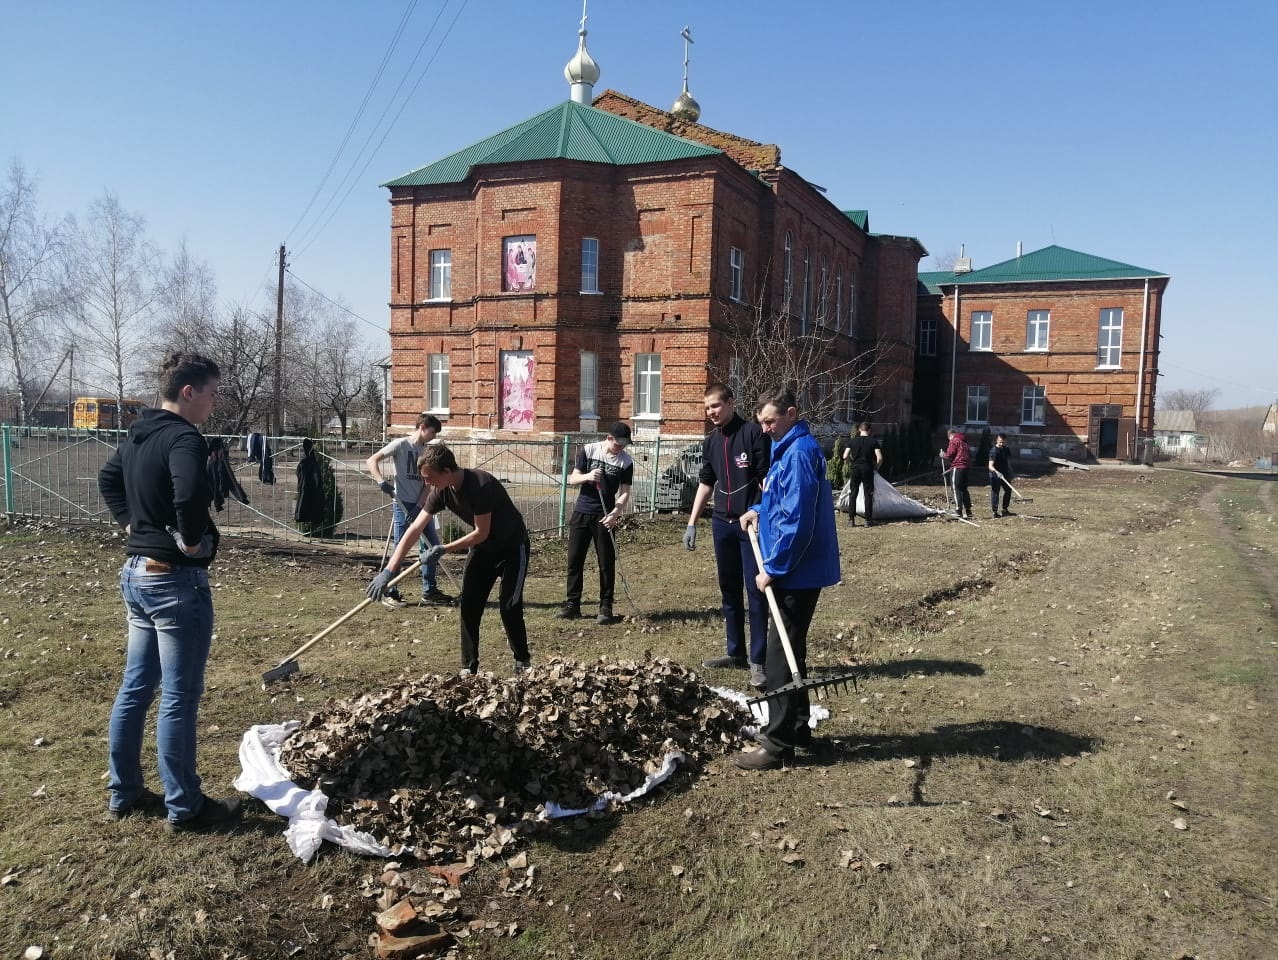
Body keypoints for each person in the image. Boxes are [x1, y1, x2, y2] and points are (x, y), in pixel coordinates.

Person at [98, 352, 244, 831]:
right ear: (188, 392)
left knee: (136, 688)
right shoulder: (183, 437)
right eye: (211, 392)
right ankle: (185, 807)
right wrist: (192, 537)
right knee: (179, 696)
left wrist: (131, 526)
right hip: (174, 581)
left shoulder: (140, 433)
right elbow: (189, 492)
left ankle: (124, 792)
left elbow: (108, 478)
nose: (214, 402)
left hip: (137, 575)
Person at [736, 387, 841, 770]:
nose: (764, 429)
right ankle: (797, 727)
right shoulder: (788, 448)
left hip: (797, 570)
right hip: (795, 568)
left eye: (770, 421)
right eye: (761, 421)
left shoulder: (798, 453)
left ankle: (777, 746)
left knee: (779, 656)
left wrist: (773, 569)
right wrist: (757, 509)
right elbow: (780, 500)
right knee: (792, 648)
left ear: (792, 413)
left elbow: (797, 522)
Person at [366, 444, 531, 675]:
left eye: (429, 478)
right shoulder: (441, 490)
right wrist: (389, 571)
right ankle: (468, 667)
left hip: (512, 548)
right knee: (469, 607)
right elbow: (414, 528)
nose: (426, 483)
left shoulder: (480, 484)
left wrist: (443, 548)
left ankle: (522, 661)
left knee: (509, 606)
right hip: (483, 551)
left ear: (446, 471)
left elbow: (480, 532)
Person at [682, 383, 771, 690]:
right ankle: (735, 652)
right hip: (722, 524)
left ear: (731, 402)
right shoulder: (710, 442)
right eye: (707, 409)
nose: (711, 413)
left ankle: (758, 660)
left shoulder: (752, 434)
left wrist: (760, 511)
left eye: (715, 406)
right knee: (729, 589)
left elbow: (765, 480)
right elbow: (706, 483)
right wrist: (692, 522)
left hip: (750, 526)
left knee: (755, 591)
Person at [365, 413, 453, 607]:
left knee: (432, 547)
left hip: (423, 507)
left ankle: (429, 591)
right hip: (401, 503)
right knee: (400, 548)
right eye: (432, 431)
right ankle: (390, 592)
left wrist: (420, 506)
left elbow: (427, 484)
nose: (434, 435)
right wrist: (381, 481)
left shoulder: (427, 452)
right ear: (422, 426)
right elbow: (372, 461)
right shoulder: (401, 445)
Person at [556, 422, 634, 624]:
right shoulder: (589, 450)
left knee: (606, 562)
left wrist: (615, 513)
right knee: (575, 560)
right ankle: (573, 605)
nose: (621, 448)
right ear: (609, 438)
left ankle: (606, 606)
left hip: (605, 516)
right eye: (618, 444)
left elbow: (625, 492)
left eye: (624, 445)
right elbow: (573, 479)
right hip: (582, 512)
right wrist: (588, 476)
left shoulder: (625, 461)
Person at [841, 421, 884, 526]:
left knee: (853, 494)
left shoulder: (852, 441)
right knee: (868, 494)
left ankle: (851, 520)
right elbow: (880, 458)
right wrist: (876, 468)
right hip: (868, 469)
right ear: (869, 431)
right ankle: (868, 520)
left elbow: (845, 456)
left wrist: (852, 463)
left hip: (855, 469)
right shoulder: (873, 442)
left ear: (859, 429)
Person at [940, 426, 973, 519]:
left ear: (950, 435)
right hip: (966, 467)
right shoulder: (965, 442)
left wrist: (943, 455)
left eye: (948, 438)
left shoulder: (954, 440)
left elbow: (950, 454)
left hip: (957, 467)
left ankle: (958, 510)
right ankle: (968, 510)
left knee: (955, 488)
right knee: (963, 489)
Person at [988, 433, 1015, 518]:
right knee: (995, 492)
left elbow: (1007, 461)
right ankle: (994, 512)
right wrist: (997, 472)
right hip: (995, 475)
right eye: (1000, 442)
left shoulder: (1006, 449)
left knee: (1008, 490)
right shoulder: (993, 451)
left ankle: (1004, 510)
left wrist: (1011, 471)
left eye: (1003, 442)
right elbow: (990, 466)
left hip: (1005, 473)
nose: (1001, 444)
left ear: (1005, 441)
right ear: (997, 440)